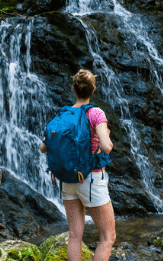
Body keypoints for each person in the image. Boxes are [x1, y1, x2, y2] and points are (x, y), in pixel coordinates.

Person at [40, 69, 116, 261]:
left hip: (67, 178)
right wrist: (107, 139)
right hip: (91, 179)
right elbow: (106, 147)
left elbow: (43, 147)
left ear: (74, 89)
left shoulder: (63, 114)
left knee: (74, 235)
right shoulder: (96, 113)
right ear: (93, 90)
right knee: (108, 237)